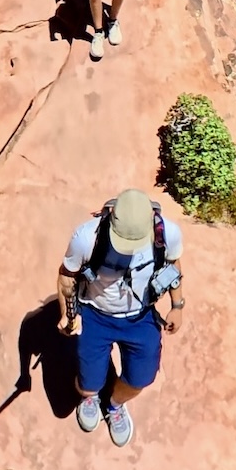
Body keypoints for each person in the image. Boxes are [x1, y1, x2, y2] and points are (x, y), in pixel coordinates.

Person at [55, 188, 185, 448]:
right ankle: (90, 397)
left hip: (141, 316)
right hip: (95, 314)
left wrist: (177, 305)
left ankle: (114, 405)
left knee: (141, 378)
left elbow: (173, 264)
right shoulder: (86, 237)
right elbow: (66, 276)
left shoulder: (167, 234)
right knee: (88, 382)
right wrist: (67, 314)